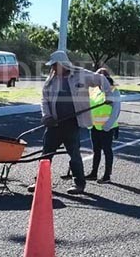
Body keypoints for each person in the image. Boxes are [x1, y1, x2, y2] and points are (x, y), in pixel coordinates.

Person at [29, 50, 112, 195]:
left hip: (72, 123)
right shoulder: (51, 81)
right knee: (45, 155)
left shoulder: (81, 75)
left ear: (63, 64)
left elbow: (101, 79)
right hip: (54, 123)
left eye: (55, 65)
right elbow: (44, 101)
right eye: (52, 65)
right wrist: (46, 116)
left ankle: (79, 183)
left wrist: (108, 94)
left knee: (74, 153)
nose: (53, 68)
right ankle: (41, 182)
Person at [86, 68, 121, 184]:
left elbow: (116, 110)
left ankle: (107, 175)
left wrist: (108, 125)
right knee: (96, 151)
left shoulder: (113, 90)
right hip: (94, 127)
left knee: (107, 150)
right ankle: (93, 173)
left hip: (107, 127)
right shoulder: (94, 90)